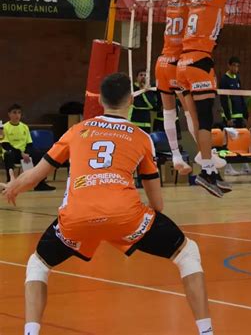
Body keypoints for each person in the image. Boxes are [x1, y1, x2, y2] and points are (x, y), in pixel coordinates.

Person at [0, 73, 215, 335]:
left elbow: (35, 176)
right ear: (131, 102)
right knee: (187, 253)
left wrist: (12, 186)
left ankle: (30, 332)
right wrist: (130, 228)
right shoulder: (141, 137)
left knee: (38, 264)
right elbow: (157, 203)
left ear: (100, 100)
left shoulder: (77, 130)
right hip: (127, 216)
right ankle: (206, 332)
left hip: (77, 219)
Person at [176, 0, 251, 198]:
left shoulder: (195, 2)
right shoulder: (215, 1)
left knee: (196, 121)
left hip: (182, 66)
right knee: (207, 122)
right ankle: (206, 172)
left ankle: (208, 173)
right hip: (199, 64)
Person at [155, 0, 225, 175]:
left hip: (161, 61)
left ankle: (176, 155)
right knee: (190, 112)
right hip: (179, 61)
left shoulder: (171, 2)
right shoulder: (190, 3)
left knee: (168, 111)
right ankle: (206, 153)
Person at [1, 104, 54, 191]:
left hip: (24, 153)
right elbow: (5, 145)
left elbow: (29, 144)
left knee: (40, 155)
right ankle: (10, 182)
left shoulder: (24, 127)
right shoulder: (4, 127)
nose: (17, 115)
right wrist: (21, 153)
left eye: (19, 113)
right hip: (12, 153)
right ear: (9, 114)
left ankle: (40, 183)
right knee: (8, 154)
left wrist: (27, 153)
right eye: (14, 113)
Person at [219, 56, 249, 176]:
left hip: (239, 115)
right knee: (229, 142)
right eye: (234, 65)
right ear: (229, 65)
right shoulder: (224, 80)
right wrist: (227, 118)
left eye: (238, 66)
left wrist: (245, 115)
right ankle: (228, 167)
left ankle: (245, 166)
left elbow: (241, 97)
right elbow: (224, 100)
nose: (236, 68)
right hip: (230, 117)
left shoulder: (237, 78)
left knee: (242, 140)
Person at [129, 69, 157, 134]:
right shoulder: (132, 88)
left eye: (145, 75)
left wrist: (144, 91)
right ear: (136, 77)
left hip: (146, 123)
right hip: (133, 121)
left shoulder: (150, 89)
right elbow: (134, 103)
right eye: (141, 75)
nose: (143, 77)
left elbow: (152, 105)